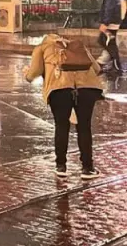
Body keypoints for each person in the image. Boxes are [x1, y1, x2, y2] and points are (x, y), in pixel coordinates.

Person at [25, 33, 103, 180]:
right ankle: (87, 168)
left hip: (59, 89)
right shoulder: (78, 45)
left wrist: (26, 74)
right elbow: (97, 68)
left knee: (61, 125)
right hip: (87, 88)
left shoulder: (42, 48)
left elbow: (32, 74)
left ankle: (61, 166)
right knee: (84, 126)